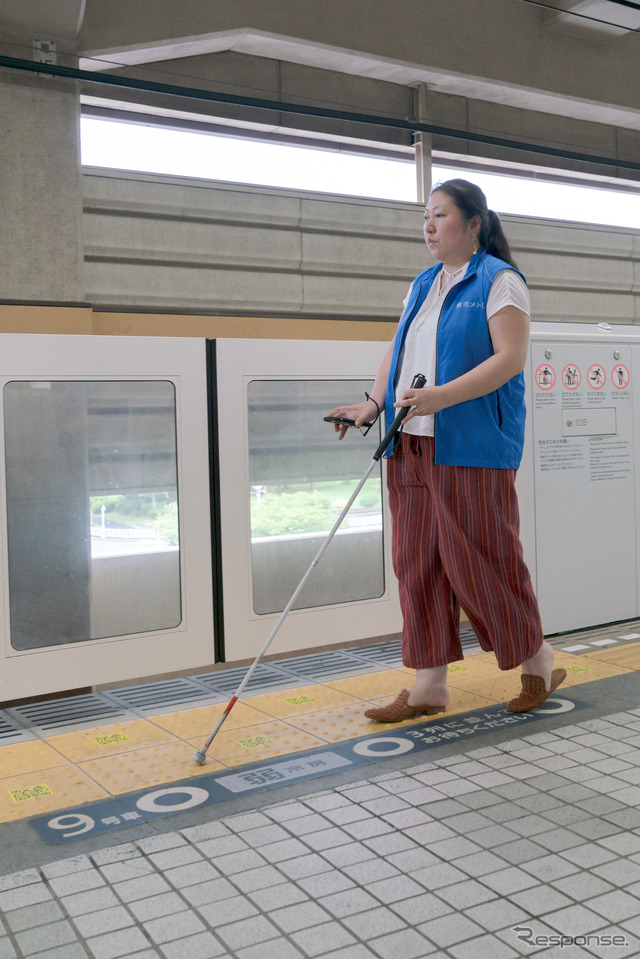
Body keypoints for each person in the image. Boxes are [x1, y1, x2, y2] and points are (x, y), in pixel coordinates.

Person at [327, 178, 565, 720]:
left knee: (480, 561)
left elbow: (509, 358)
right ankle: (429, 683)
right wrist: (373, 404)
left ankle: (538, 661)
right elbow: (399, 346)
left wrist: (441, 398)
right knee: (419, 563)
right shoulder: (423, 284)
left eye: (440, 216)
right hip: (411, 442)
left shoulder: (500, 282)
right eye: (425, 218)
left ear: (473, 224)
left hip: (472, 444)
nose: (429, 227)